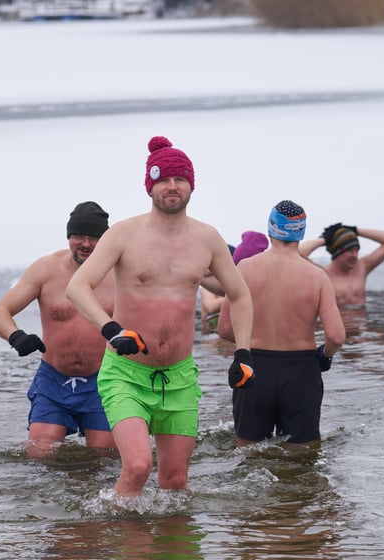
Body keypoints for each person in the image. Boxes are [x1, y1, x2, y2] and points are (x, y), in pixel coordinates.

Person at [66, 135, 254, 497]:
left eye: (179, 179)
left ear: (191, 186)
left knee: (175, 483)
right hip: (126, 374)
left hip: (180, 377)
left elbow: (240, 293)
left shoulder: (207, 239)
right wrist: (111, 330)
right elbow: (78, 285)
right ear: (149, 185)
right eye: (163, 179)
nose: (172, 186)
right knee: (137, 467)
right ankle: (123, 544)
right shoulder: (123, 234)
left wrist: (243, 352)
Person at [0, 201, 116, 459]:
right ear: (69, 236)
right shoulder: (46, 269)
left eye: (94, 238)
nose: (86, 244)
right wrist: (16, 336)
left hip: (103, 380)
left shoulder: (119, 274)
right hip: (54, 380)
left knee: (104, 457)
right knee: (39, 453)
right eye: (79, 236)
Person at [218, 200, 345, 446]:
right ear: (302, 232)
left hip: (253, 368)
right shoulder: (318, 277)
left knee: (248, 457)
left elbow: (224, 329)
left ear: (270, 228)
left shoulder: (245, 268)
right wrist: (324, 355)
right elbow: (337, 337)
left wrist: (247, 342)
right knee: (301, 460)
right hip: (301, 372)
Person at [298, 223, 384, 305]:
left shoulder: (362, 267)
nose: (355, 255)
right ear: (336, 252)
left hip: (361, 326)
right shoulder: (322, 274)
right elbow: (299, 252)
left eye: (357, 250)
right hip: (335, 327)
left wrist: (356, 230)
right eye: (350, 251)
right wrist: (324, 239)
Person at [200, 231, 267, 334]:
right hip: (211, 338)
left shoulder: (254, 285)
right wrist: (243, 296)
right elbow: (210, 306)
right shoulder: (223, 284)